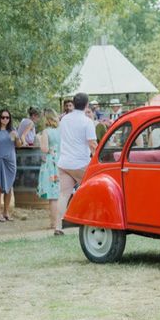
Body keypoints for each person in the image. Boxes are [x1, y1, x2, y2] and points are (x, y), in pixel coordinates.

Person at [56, 92, 98, 236]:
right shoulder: (87, 122)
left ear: (73, 104)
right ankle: (92, 222)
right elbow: (92, 143)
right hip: (80, 163)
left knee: (63, 195)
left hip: (64, 162)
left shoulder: (64, 119)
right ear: (86, 105)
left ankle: (58, 226)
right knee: (92, 192)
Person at [0, 108, 21, 222]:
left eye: (7, 117)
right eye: (3, 117)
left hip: (10, 161)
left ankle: (6, 212)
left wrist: (17, 137)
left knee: (9, 186)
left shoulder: (12, 130)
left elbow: (19, 145)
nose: (5, 119)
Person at [37, 109, 61, 231]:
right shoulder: (61, 131)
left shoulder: (46, 132)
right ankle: (60, 221)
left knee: (53, 195)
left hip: (51, 164)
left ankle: (54, 223)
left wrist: (40, 138)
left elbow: (44, 149)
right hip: (61, 162)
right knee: (61, 193)